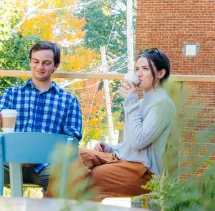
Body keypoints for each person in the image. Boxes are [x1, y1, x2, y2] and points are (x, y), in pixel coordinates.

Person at [0, 40, 83, 194]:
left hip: (48, 164)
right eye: (36, 61)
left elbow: (72, 139)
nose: (40, 67)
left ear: (56, 66)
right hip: (10, 161)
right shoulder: (12, 94)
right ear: (30, 62)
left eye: (46, 63)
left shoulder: (69, 100)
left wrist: (43, 155)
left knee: (66, 179)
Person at [57, 48, 176, 201]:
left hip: (143, 173)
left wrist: (131, 99)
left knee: (85, 178)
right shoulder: (140, 103)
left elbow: (137, 142)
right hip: (122, 160)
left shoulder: (163, 104)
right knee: (73, 154)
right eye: (137, 69)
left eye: (145, 69)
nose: (138, 74)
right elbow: (130, 144)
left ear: (160, 73)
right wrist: (110, 148)